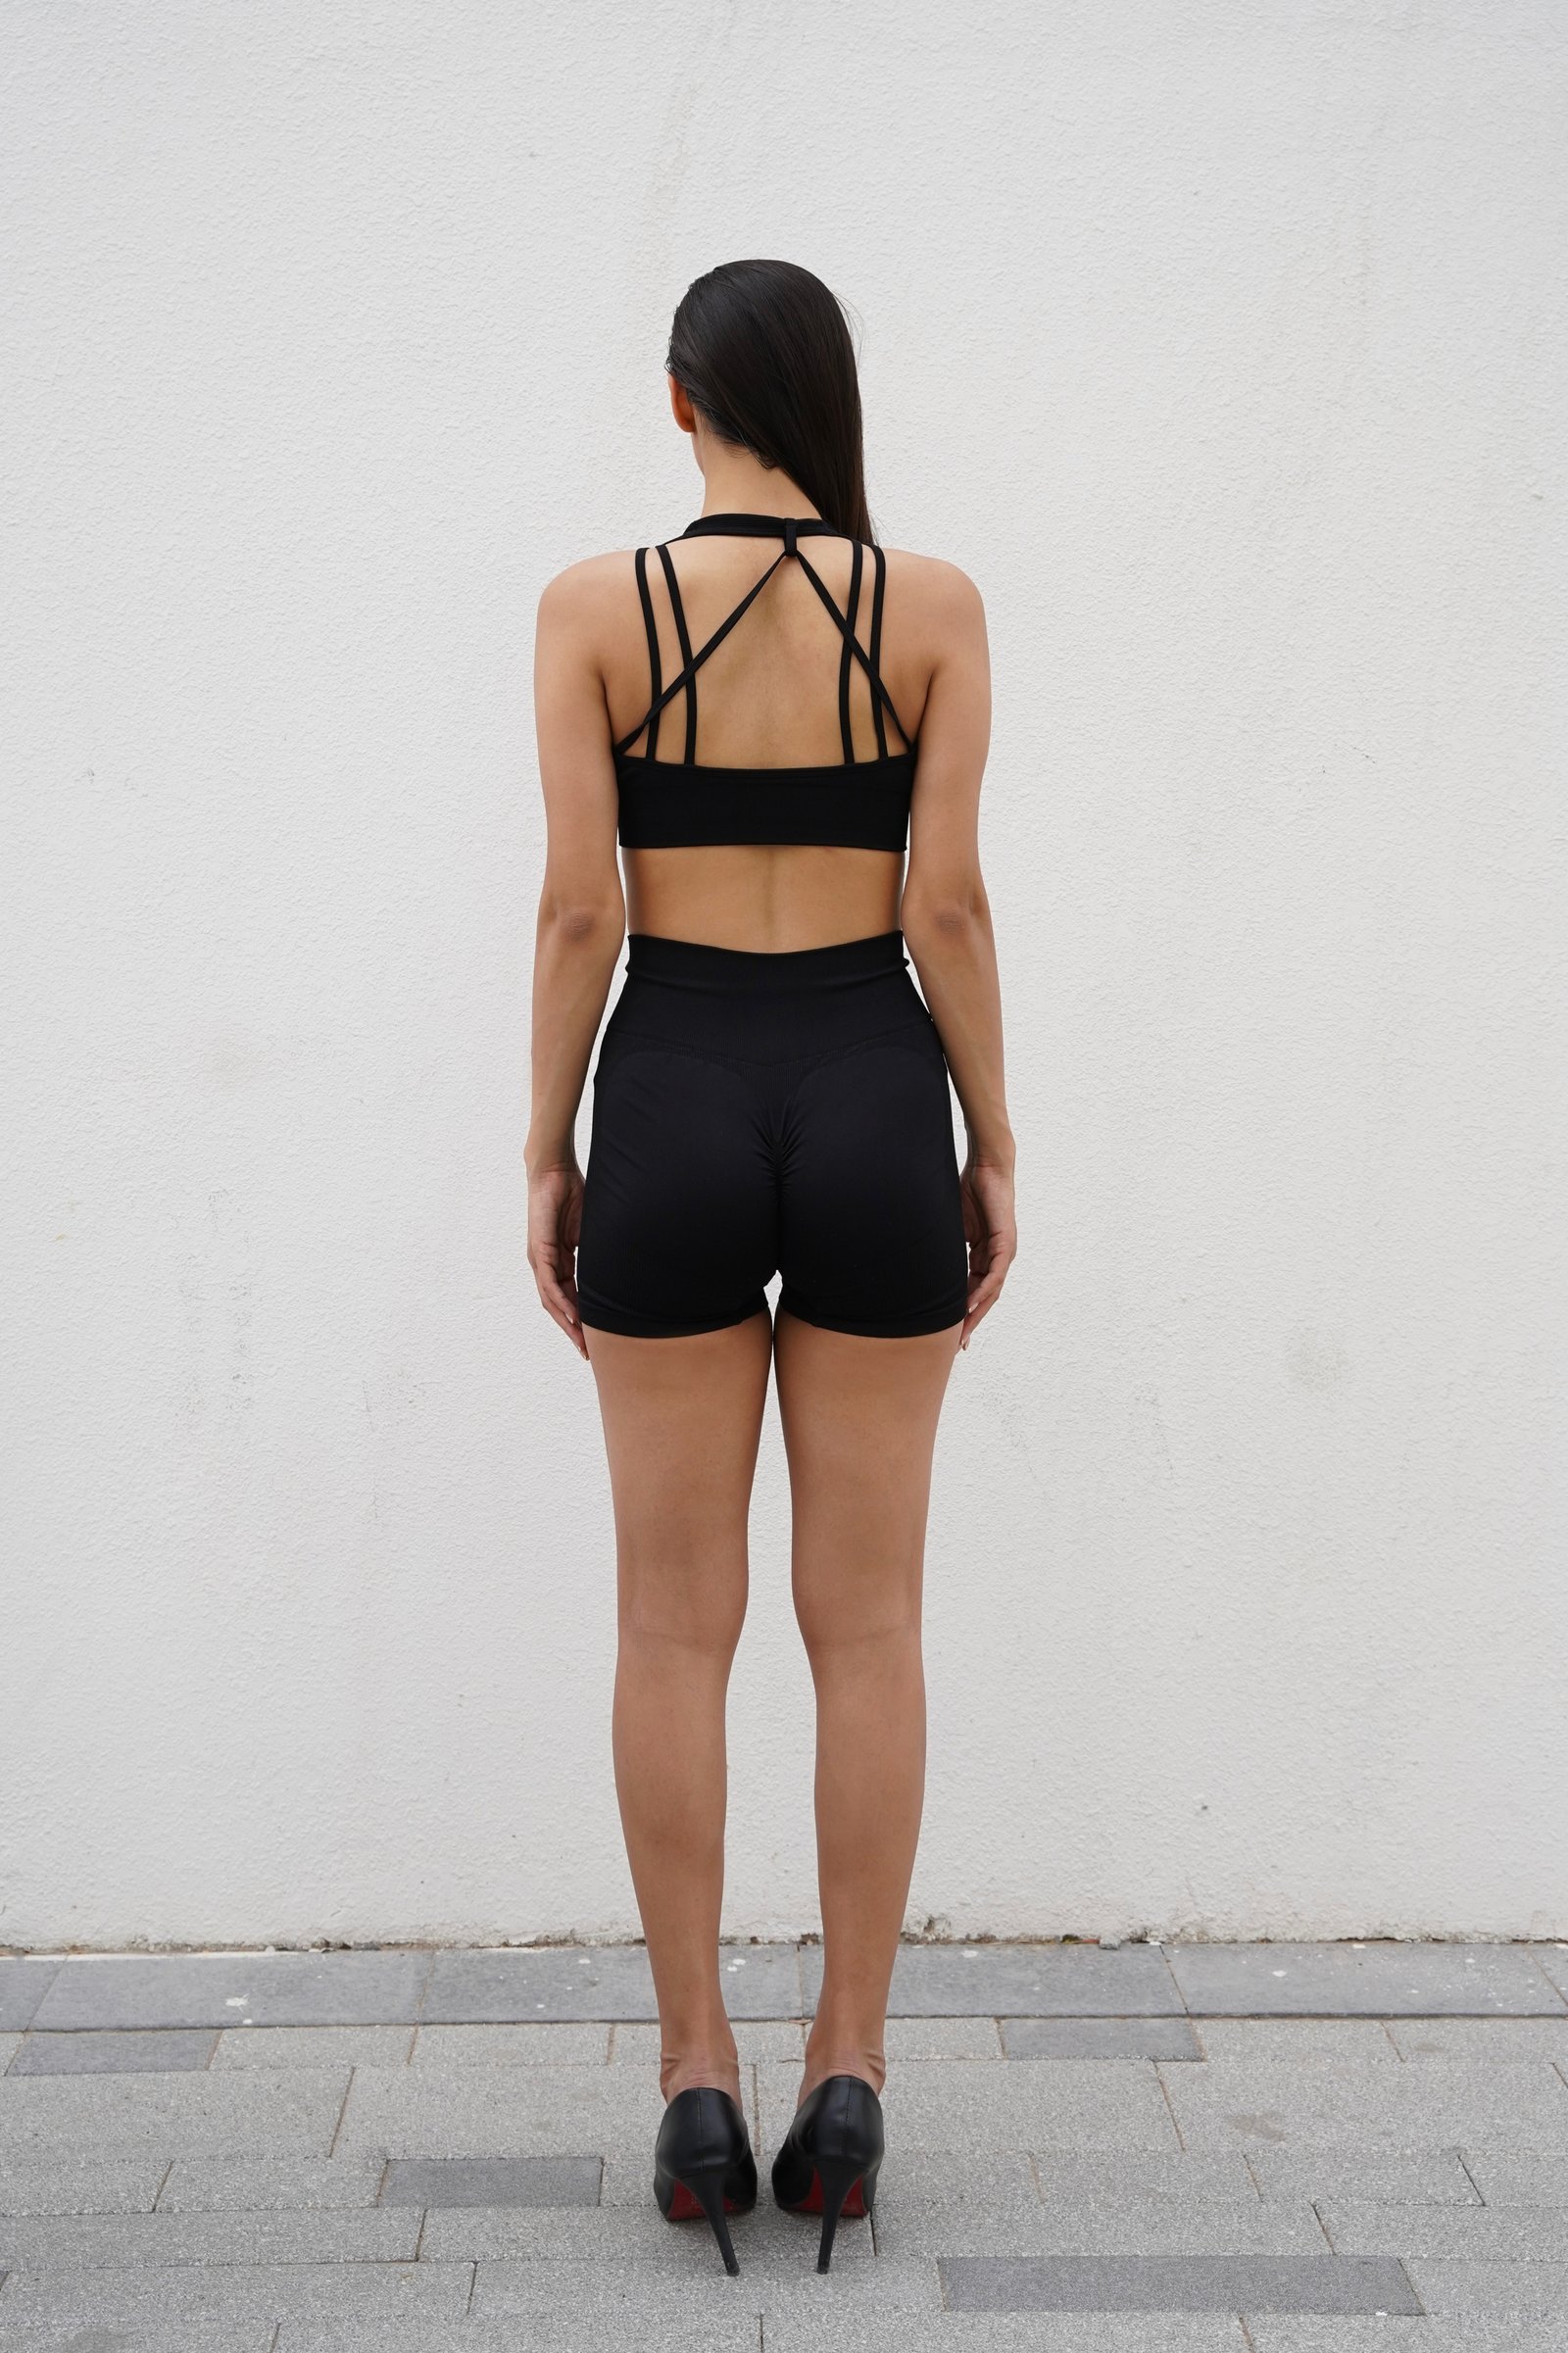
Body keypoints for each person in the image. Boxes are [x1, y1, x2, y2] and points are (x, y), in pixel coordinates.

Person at [526, 258, 1015, 2275]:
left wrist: (546, 1144)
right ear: (829, 397)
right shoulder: (931, 608)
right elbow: (946, 903)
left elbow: (578, 911)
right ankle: (849, 2068)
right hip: (872, 1079)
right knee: (869, 1621)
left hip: (671, 1085)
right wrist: (993, 1138)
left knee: (670, 1623)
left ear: (680, 402)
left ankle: (694, 2075)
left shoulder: (592, 610)